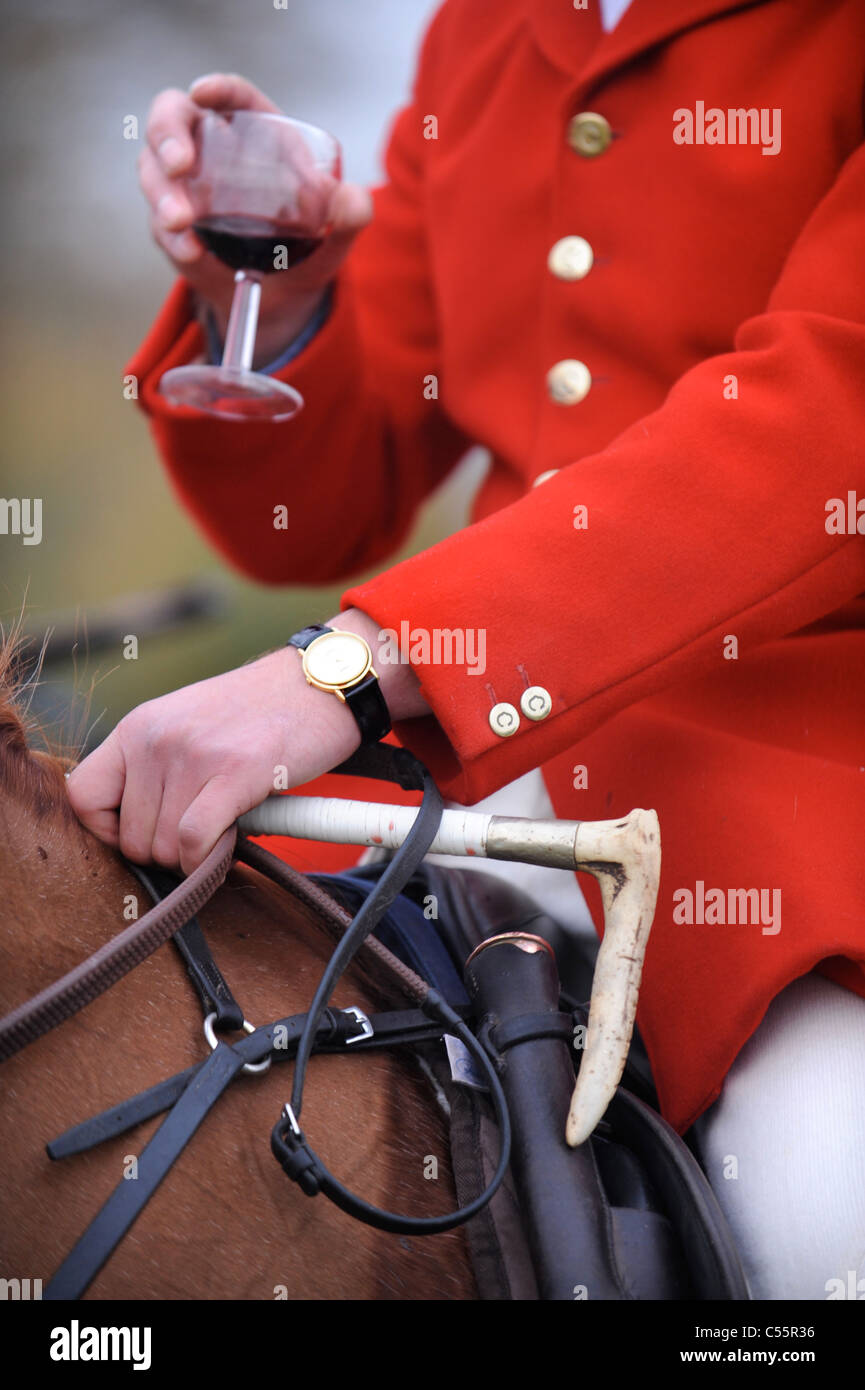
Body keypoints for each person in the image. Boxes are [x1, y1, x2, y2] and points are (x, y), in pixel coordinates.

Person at [68, 0, 865, 1299]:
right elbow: (318, 509)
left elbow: (836, 408)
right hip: (455, 777)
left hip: (796, 789)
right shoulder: (480, 31)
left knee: (825, 1207)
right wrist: (276, 305)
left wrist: (357, 662)